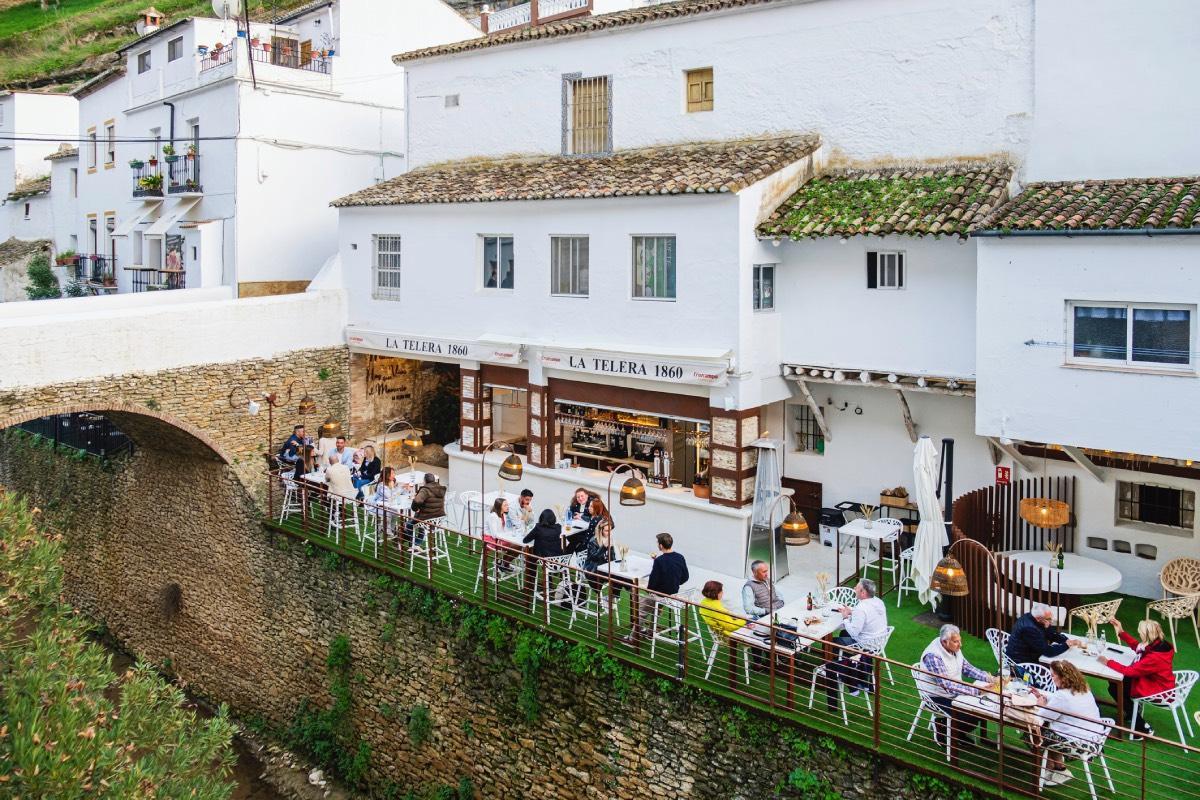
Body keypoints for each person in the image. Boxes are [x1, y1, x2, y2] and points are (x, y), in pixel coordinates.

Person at [917, 624, 994, 748]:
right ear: (944, 641)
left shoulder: (954, 649)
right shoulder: (933, 656)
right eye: (956, 642)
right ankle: (941, 727)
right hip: (937, 696)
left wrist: (989, 678)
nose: (960, 645)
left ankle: (956, 733)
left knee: (978, 711)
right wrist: (977, 691)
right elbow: (947, 685)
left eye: (960, 641)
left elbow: (967, 668)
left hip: (954, 692)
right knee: (969, 716)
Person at [1032, 660, 1107, 784]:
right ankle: (1057, 768)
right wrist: (1045, 697)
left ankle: (1051, 768)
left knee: (1034, 733)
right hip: (1094, 738)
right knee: (1050, 731)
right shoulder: (1084, 690)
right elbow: (1061, 702)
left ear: (1063, 677)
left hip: (1077, 742)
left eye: (1053, 675)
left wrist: (1041, 704)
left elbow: (1044, 716)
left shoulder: (1062, 696)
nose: (1052, 678)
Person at [1098, 618, 1175, 737]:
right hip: (1159, 682)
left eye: (1141, 633)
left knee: (1115, 688)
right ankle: (1131, 712)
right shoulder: (1157, 645)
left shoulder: (1154, 657)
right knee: (1115, 684)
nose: (1139, 634)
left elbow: (1130, 671)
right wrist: (1121, 631)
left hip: (1158, 690)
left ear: (1147, 635)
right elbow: (1137, 646)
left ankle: (1143, 726)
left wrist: (1108, 662)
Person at [825, 579, 887, 708]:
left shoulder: (861, 608)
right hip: (878, 642)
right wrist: (852, 611)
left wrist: (845, 617)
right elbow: (867, 615)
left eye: (857, 588)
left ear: (863, 592)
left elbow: (854, 632)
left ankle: (838, 671)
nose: (854, 588)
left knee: (831, 642)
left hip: (865, 644)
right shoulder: (878, 602)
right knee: (843, 634)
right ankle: (849, 662)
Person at [624, 533, 688, 644]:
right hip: (672, 595)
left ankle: (633, 639)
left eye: (658, 543)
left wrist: (648, 590)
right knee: (654, 607)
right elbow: (685, 577)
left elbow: (653, 582)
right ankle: (650, 633)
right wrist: (674, 583)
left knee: (641, 610)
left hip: (660, 595)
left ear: (661, 546)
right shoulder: (680, 557)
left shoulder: (660, 561)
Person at [1005, 604, 1082, 674]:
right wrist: (1067, 645)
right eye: (1049, 619)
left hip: (1029, 653)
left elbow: (1051, 634)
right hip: (1021, 661)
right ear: (1039, 618)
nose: (1051, 621)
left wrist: (1065, 640)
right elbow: (1048, 652)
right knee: (1059, 670)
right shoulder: (1029, 629)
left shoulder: (1034, 618)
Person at [485, 497, 518, 571]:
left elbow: (505, 530)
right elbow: (494, 534)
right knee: (517, 546)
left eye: (507, 505)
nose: (507, 507)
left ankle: (503, 563)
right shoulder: (493, 516)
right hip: (491, 540)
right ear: (500, 507)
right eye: (505, 505)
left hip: (499, 538)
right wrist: (508, 535)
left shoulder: (503, 515)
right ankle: (503, 564)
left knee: (517, 546)